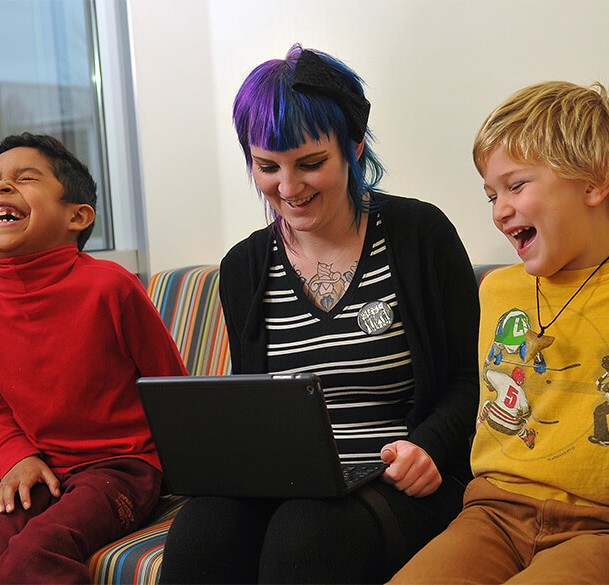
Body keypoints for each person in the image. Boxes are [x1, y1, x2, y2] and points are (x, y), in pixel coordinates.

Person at [158, 45, 480, 584]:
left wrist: (428, 446)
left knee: (306, 535)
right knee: (202, 528)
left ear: (353, 147)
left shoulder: (420, 235)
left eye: (310, 164)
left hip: (402, 479)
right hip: (288, 484)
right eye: (267, 167)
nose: (287, 189)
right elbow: (256, 401)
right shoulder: (244, 267)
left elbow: (472, 379)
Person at [388, 81, 609, 584]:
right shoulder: (498, 290)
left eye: (516, 185)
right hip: (493, 515)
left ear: (594, 182)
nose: (499, 210)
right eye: (491, 194)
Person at [0, 133, 188, 584]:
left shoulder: (110, 287)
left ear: (76, 216)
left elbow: (171, 386)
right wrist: (15, 454)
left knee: (36, 554)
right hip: (36, 464)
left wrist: (186, 473)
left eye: (23, 179)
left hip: (123, 468)